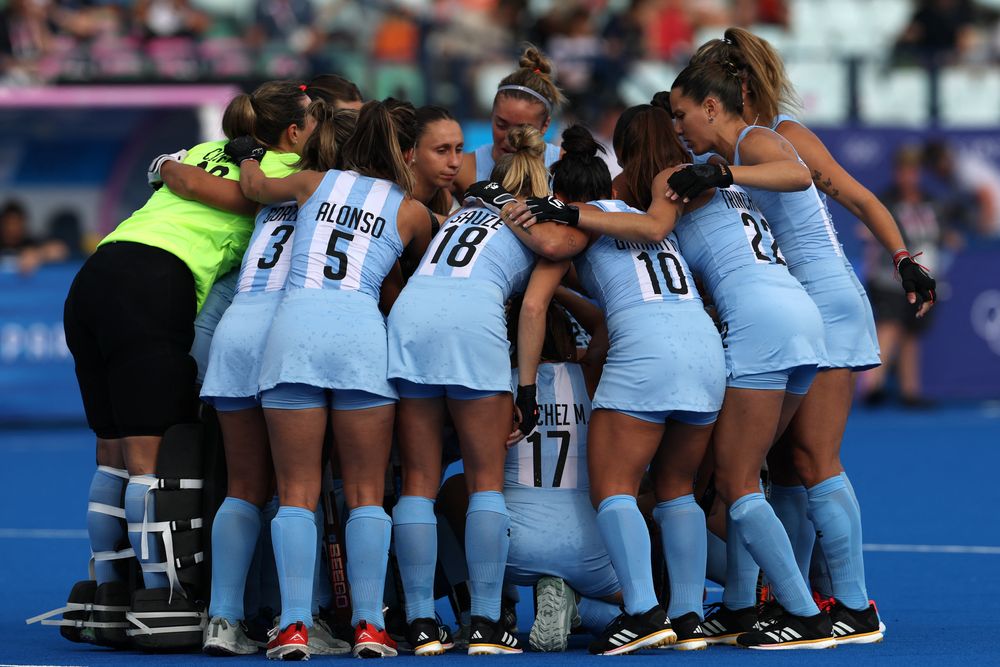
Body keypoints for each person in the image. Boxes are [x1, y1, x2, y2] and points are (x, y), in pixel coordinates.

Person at [61, 81, 312, 647]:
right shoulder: (286, 168)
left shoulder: (202, 151)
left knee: (113, 453)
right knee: (152, 457)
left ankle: (109, 594)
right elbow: (247, 199)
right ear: (293, 131)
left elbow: (171, 172)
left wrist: (172, 169)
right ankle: (161, 599)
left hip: (99, 271)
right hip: (157, 281)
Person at [666, 59, 896, 646]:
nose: (678, 126)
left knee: (816, 460)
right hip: (810, 304)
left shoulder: (759, 139)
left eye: (682, 113)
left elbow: (798, 177)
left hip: (827, 304)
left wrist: (725, 175)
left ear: (712, 106)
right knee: (787, 468)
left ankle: (852, 605)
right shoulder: (733, 155)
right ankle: (768, 602)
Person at [492, 125, 726, 655]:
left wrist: (526, 389)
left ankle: (643, 611)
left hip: (646, 350)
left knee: (614, 488)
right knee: (676, 488)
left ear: (561, 195)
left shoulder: (573, 227)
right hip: (703, 349)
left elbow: (533, 306)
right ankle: (686, 615)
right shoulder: (637, 216)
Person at [231, 97, 432, 660]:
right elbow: (424, 270)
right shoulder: (411, 210)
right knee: (367, 493)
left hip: (293, 332)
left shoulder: (310, 182)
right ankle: (370, 625)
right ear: (409, 153)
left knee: (296, 492)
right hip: (359, 337)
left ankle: (294, 625)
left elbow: (252, 189)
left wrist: (248, 154)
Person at [194, 102, 357, 657]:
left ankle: (223, 619)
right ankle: (299, 622)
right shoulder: (340, 195)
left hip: (237, 326)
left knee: (243, 487)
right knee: (299, 490)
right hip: (288, 337)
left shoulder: (272, 190)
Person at [386, 126, 551, 657]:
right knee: (484, 483)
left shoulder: (461, 209)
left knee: (418, 481)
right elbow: (536, 304)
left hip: (413, 315)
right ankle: (484, 621)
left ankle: (419, 623)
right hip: (472, 323)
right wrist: (525, 388)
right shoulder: (540, 215)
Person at [502, 281, 625, 653]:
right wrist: (554, 290)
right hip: (587, 545)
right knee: (644, 602)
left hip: (512, 549)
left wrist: (524, 301)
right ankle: (582, 607)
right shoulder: (590, 375)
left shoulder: (495, 386)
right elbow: (605, 323)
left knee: (459, 491)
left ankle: (489, 611)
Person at [862, 145, 943, 407]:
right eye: (904, 170)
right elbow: (868, 228)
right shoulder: (885, 201)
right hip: (890, 276)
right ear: (897, 172)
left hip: (923, 276)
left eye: (913, 170)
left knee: (912, 331)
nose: (909, 176)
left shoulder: (929, 201)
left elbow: (937, 232)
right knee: (890, 327)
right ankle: (871, 387)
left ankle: (910, 391)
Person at [452, 45, 565, 195]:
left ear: (545, 126)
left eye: (521, 130)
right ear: (492, 116)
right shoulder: (464, 168)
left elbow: (605, 209)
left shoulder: (566, 165)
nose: (509, 138)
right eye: (501, 125)